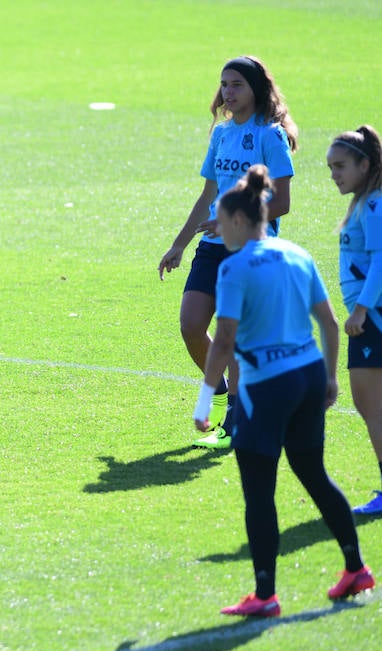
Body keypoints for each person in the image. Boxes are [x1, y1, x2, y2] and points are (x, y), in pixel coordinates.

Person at [193, 165, 371, 618]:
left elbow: (226, 338)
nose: (217, 231)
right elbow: (329, 323)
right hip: (309, 374)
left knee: (259, 488)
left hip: (267, 385)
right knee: (313, 473)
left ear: (237, 221)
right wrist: (330, 377)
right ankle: (356, 568)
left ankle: (266, 594)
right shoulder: (296, 253)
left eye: (219, 220)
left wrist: (203, 400)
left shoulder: (233, 267)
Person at [160, 55, 297, 449]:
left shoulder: (269, 136)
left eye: (236, 84)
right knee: (190, 325)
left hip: (251, 250)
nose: (228, 92)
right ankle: (219, 387)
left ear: (255, 88)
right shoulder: (221, 134)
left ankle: (235, 421)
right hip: (212, 245)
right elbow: (208, 194)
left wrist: (235, 223)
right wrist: (179, 243)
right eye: (224, 84)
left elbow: (283, 202)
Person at [327, 125, 382, 515]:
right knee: (371, 407)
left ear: (365, 164)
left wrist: (361, 309)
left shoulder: (375, 204)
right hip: (370, 317)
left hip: (372, 320)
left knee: (371, 406)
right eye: (331, 168)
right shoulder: (366, 203)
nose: (335, 175)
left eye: (341, 166)